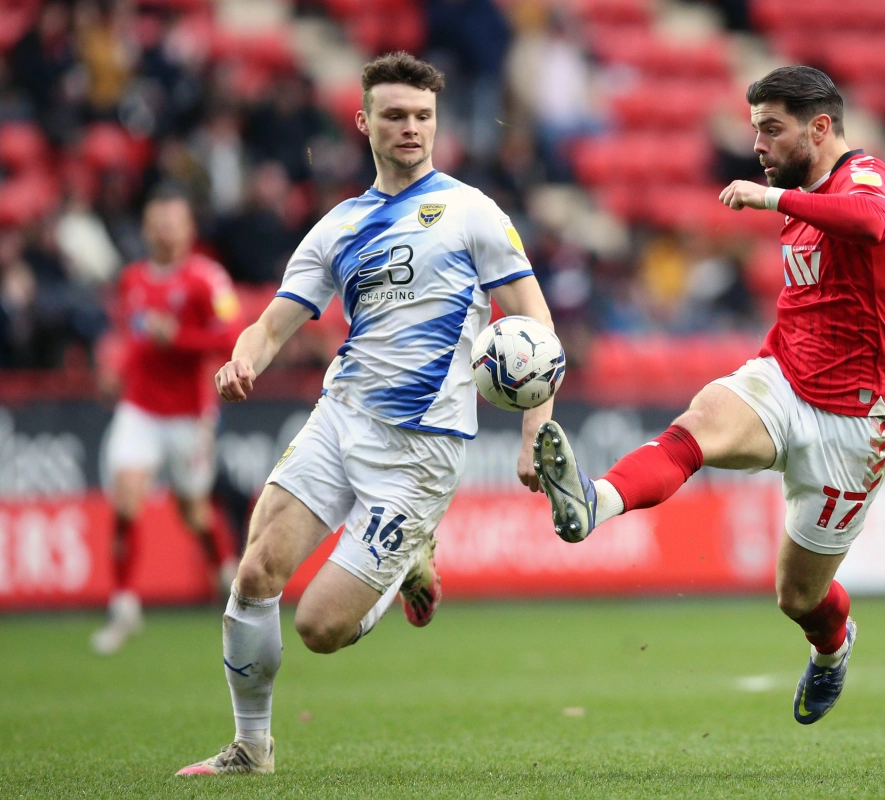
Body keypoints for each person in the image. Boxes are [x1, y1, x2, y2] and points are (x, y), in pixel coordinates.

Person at [177, 52, 554, 776]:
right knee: (254, 574)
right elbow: (272, 322)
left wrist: (533, 433)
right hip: (340, 417)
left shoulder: (474, 212)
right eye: (395, 115)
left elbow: (536, 331)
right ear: (363, 122)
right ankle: (251, 749)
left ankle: (405, 558)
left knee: (320, 628)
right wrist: (244, 359)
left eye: (422, 116)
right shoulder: (337, 227)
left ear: (436, 124)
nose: (410, 128)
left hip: (421, 451)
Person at [532, 66, 885, 725]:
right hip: (785, 381)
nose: (759, 145)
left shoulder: (864, 177)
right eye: (755, 130)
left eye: (772, 129)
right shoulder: (803, 207)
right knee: (703, 420)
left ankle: (832, 647)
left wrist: (772, 201)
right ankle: (593, 502)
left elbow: (873, 220)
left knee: (799, 595)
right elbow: (811, 297)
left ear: (820, 128)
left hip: (859, 422)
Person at [92, 186, 242, 656]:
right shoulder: (133, 279)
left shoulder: (207, 278)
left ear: (188, 229)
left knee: (194, 512)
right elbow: (132, 337)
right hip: (139, 408)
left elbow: (231, 334)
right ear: (145, 229)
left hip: (188, 415)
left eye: (173, 222)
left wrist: (177, 336)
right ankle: (123, 607)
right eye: (157, 223)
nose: (164, 231)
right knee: (126, 499)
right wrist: (116, 369)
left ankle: (227, 576)